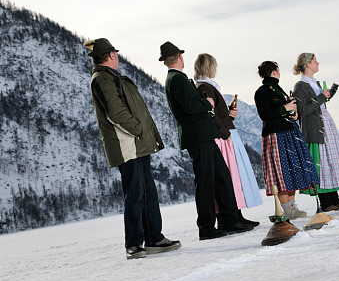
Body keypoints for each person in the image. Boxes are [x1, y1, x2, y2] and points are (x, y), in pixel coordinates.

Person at [85, 38, 181, 260]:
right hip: (127, 144)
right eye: (115, 54)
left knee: (147, 192)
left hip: (137, 144)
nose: (117, 57)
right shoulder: (103, 79)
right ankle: (134, 243)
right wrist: (138, 129)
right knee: (135, 194)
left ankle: (154, 238)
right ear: (110, 55)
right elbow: (116, 113)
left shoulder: (112, 78)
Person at [160, 41, 252, 240]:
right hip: (198, 135)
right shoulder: (177, 79)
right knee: (206, 181)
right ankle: (206, 227)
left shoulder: (177, 78)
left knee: (221, 177)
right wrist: (207, 103)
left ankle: (229, 219)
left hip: (204, 134)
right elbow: (190, 106)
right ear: (180, 57)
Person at [194, 53, 261, 227]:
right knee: (228, 177)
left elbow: (217, 113)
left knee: (233, 176)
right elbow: (210, 114)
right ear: (209, 67)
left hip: (225, 133)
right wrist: (224, 131)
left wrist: (229, 117)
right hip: (222, 138)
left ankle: (236, 214)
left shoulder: (208, 87)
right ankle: (228, 217)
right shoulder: (204, 88)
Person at [254, 61, 319, 220]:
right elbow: (265, 114)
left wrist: (292, 114)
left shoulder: (276, 89)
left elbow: (282, 109)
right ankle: (286, 207)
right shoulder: (262, 91)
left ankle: (291, 205)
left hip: (288, 130)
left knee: (291, 168)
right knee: (281, 170)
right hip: (276, 133)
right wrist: (285, 108)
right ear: (275, 72)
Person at [292, 52, 339, 212]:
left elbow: (319, 103)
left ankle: (334, 198)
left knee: (330, 161)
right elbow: (303, 110)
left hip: (324, 123)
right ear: (307, 65)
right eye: (314, 61)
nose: (317, 63)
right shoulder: (301, 86)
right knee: (322, 164)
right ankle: (325, 201)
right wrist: (321, 98)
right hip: (315, 127)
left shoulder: (313, 83)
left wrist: (328, 94)